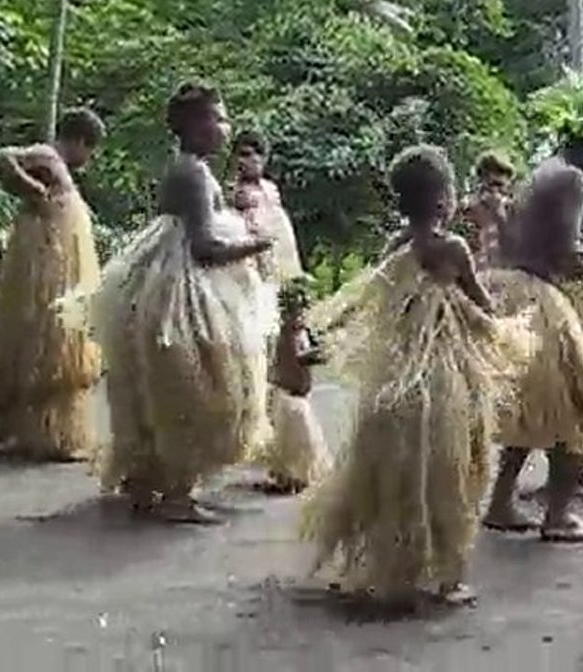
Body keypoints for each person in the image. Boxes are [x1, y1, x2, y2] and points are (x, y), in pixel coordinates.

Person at [301, 145, 531, 605]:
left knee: (388, 473)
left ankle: (380, 564)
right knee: (449, 476)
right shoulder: (453, 248)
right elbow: (481, 306)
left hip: (394, 377)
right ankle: (448, 578)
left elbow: (371, 304)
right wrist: (511, 324)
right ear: (445, 199)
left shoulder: (394, 247)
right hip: (443, 379)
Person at [83, 83, 273, 523]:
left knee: (162, 388)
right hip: (185, 296)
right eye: (218, 118)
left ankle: (148, 485)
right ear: (193, 124)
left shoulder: (188, 170)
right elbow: (205, 247)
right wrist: (256, 245)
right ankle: (176, 496)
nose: (225, 128)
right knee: (197, 391)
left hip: (168, 285)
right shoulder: (193, 175)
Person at [480, 159, 583, 542]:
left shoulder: (536, 178)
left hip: (510, 289)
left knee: (532, 409)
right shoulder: (571, 179)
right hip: (539, 297)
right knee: (578, 407)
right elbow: (566, 253)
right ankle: (559, 515)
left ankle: (500, 503)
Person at [0, 109, 105, 461]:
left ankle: (36, 429)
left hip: (55, 261)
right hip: (46, 265)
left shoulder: (56, 165)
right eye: (89, 151)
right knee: (52, 343)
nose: (87, 160)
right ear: (80, 141)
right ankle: (48, 435)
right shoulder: (48, 155)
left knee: (46, 340)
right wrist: (28, 186)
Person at [260, 278, 331, 494]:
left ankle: (296, 477)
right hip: (289, 398)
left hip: (300, 397)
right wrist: (319, 354)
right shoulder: (286, 335)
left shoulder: (303, 332)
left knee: (304, 444)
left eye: (302, 313)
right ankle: (288, 478)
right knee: (295, 442)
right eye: (296, 314)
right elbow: (297, 358)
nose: (301, 318)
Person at [230, 130, 304, 282]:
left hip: (279, 253)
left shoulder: (271, 189)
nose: (249, 160)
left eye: (254, 155)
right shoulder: (232, 191)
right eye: (243, 155)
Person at [455, 151, 518, 269]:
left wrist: (500, 216)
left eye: (500, 185)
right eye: (492, 184)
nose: (495, 190)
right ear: (481, 181)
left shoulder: (513, 211)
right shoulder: (465, 208)